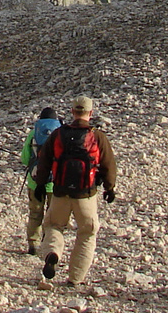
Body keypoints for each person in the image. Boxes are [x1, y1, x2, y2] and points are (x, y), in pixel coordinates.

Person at [34, 96, 118, 287]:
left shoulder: (58, 134)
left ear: (72, 112)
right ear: (90, 113)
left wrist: (40, 185)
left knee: (54, 225)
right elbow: (108, 164)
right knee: (87, 233)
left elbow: (44, 160)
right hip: (86, 195)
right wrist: (109, 188)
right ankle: (75, 278)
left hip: (60, 193)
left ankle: (52, 253)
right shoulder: (97, 136)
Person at [19, 107, 62, 255]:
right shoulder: (60, 134)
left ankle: (33, 244)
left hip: (35, 181)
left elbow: (24, 159)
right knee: (53, 216)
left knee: (35, 213)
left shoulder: (33, 134)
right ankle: (49, 244)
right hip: (55, 183)